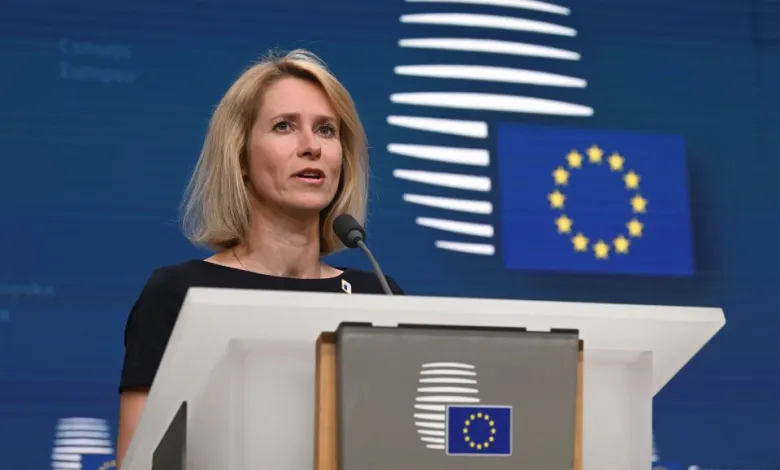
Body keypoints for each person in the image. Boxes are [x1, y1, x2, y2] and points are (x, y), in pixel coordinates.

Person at [115, 48, 403, 467]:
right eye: (284, 126)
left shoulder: (377, 296)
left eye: (326, 130)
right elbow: (141, 461)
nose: (311, 147)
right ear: (241, 156)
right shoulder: (180, 294)